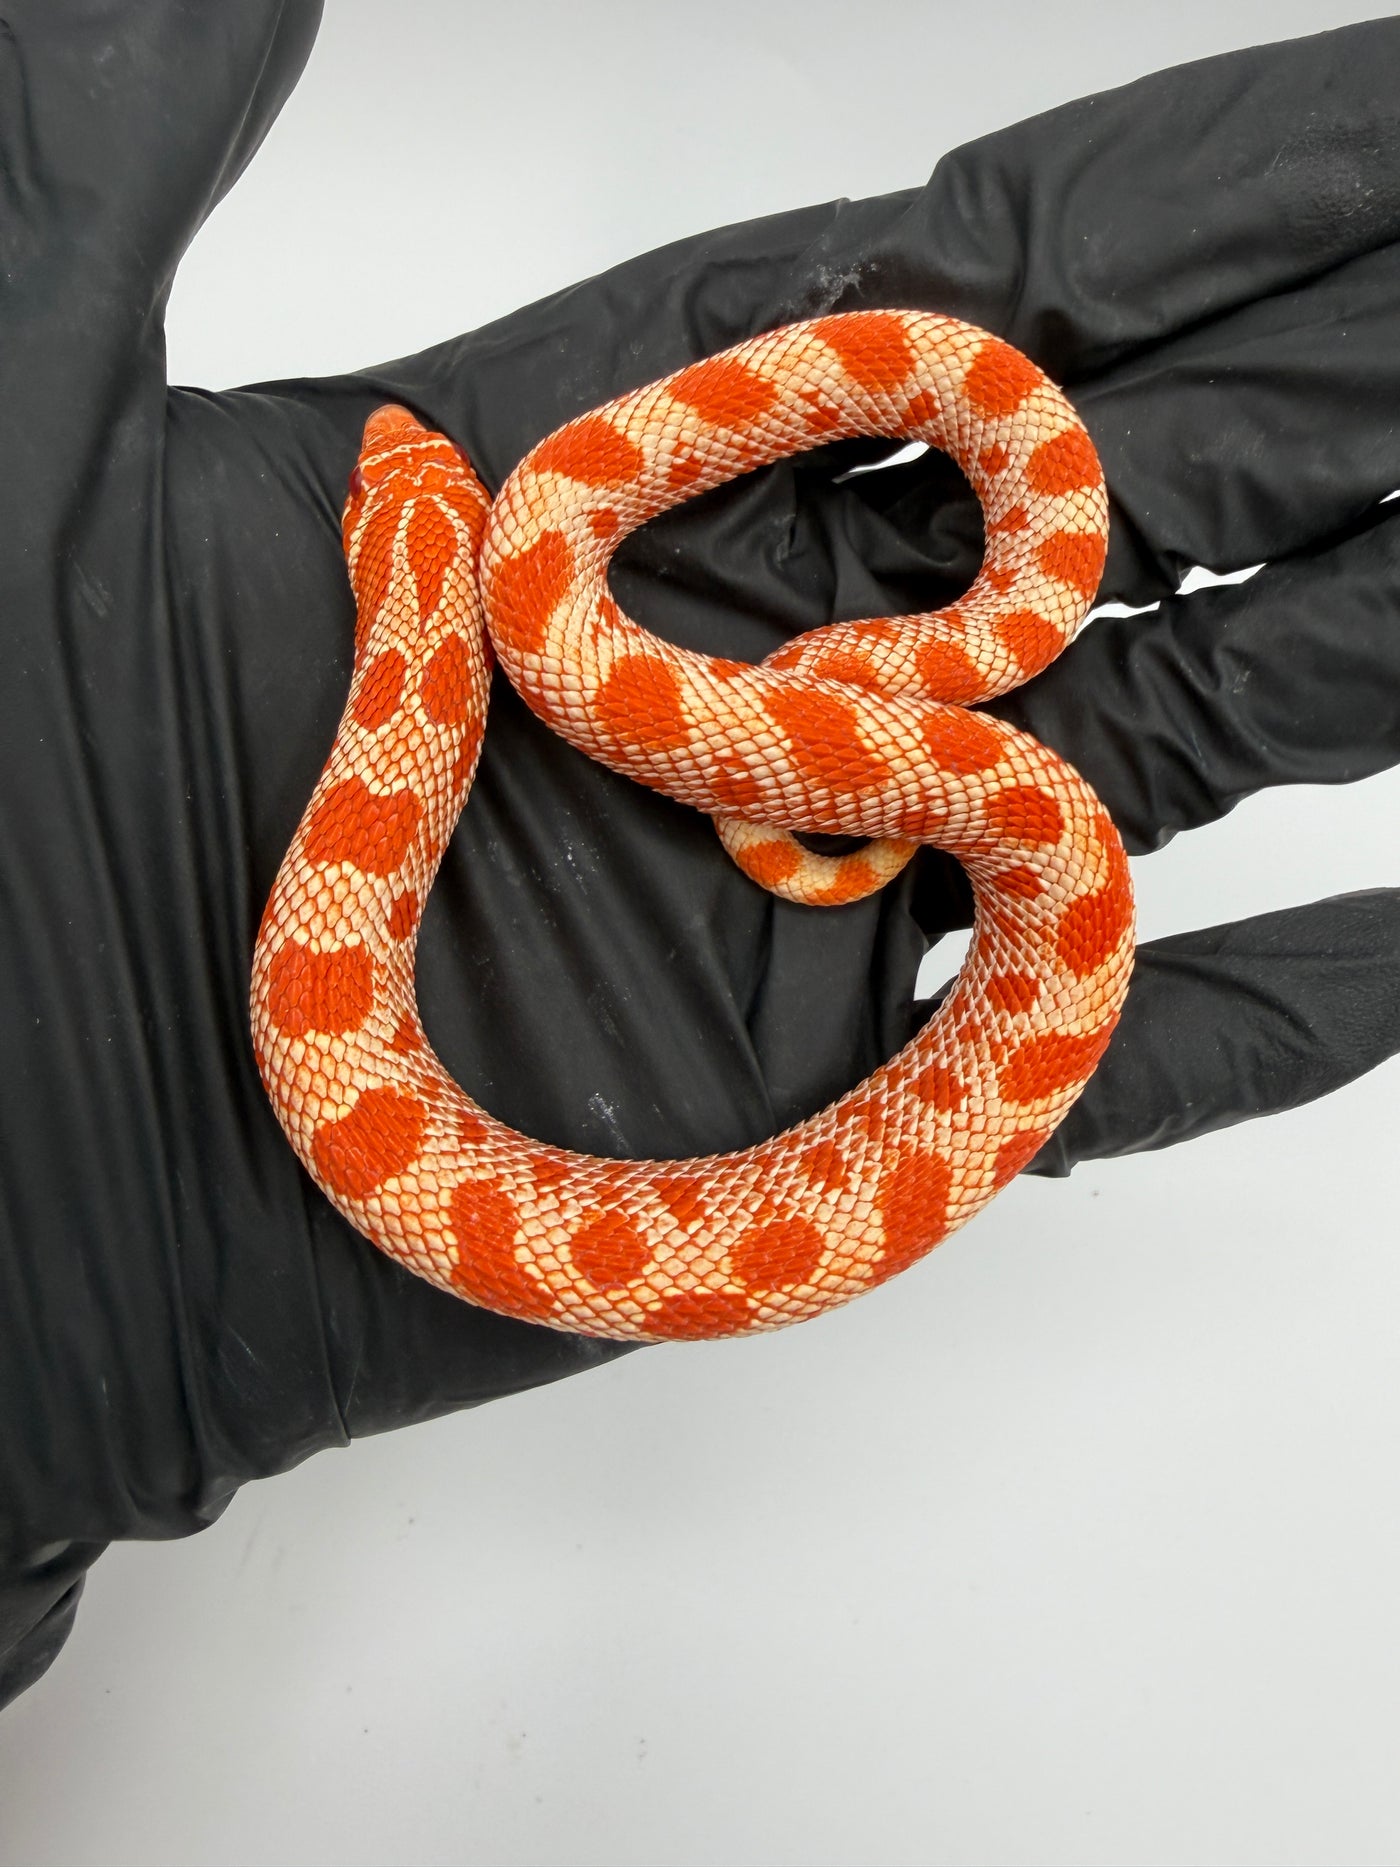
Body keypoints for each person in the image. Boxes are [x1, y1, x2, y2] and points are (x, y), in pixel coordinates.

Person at [3, 2, 1399, 1712]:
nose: (408, 472)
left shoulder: (514, 591)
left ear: (398, 598)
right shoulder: (490, 597)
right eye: (407, 508)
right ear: (408, 598)